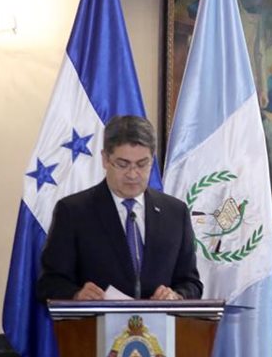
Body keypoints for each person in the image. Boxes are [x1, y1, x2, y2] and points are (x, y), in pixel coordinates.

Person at [37, 115, 202, 302]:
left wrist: (177, 295)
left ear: (152, 160)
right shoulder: (73, 212)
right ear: (105, 159)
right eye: (123, 164)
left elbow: (191, 283)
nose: (132, 174)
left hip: (159, 321)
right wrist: (76, 295)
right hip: (96, 320)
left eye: (142, 164)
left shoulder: (175, 212)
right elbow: (49, 283)